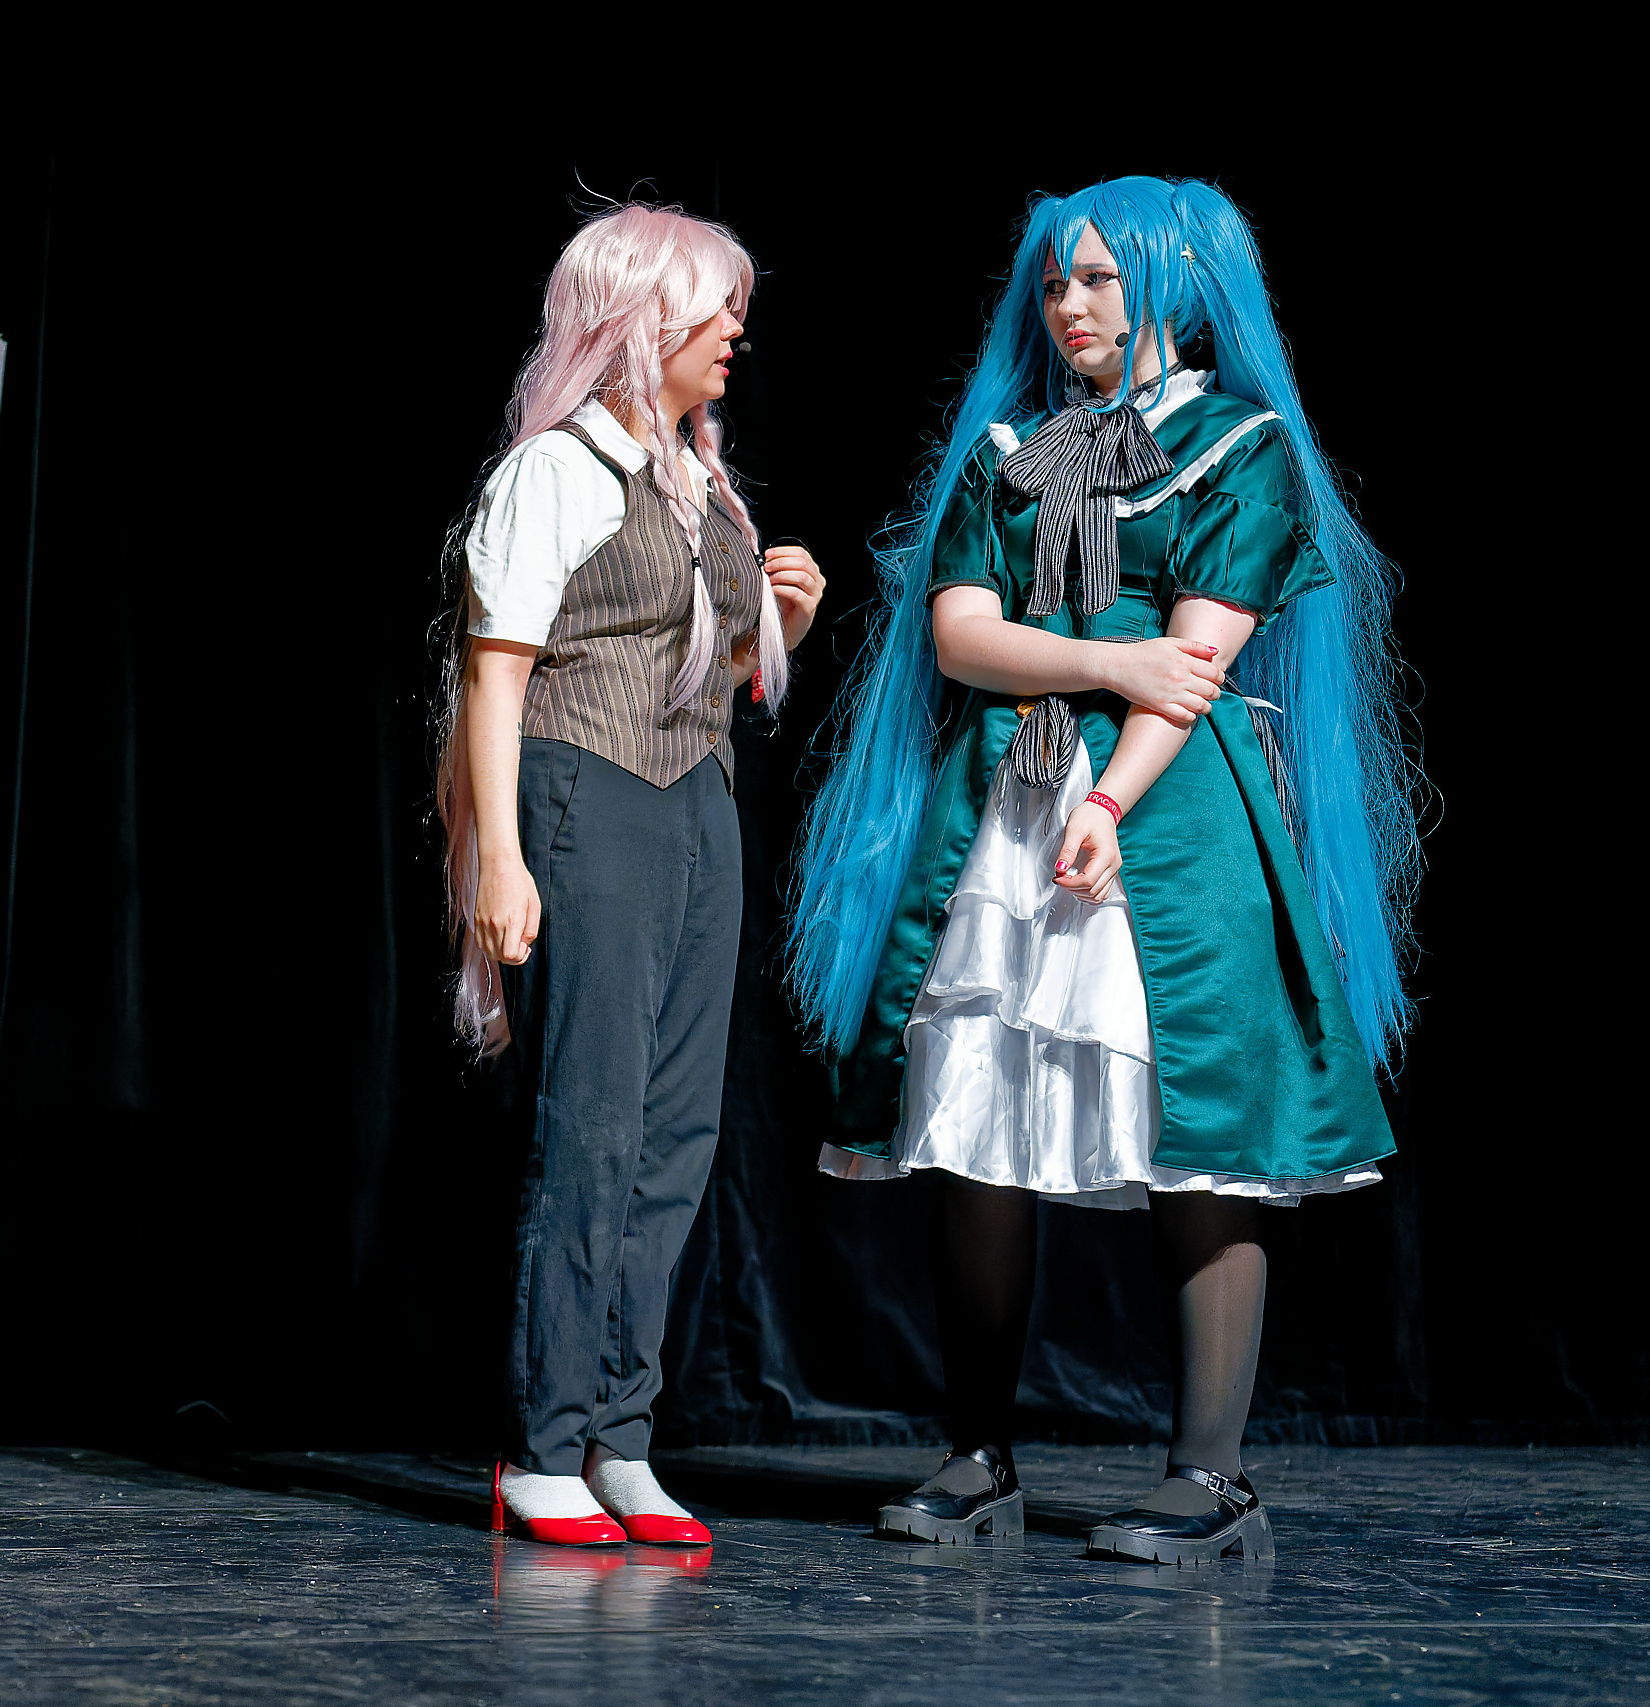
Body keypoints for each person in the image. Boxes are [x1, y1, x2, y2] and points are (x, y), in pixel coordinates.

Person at [788, 177, 1418, 1565]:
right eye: (1054, 284)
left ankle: (1211, 1476)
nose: (1069, 307)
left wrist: (1114, 793)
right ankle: (978, 1455)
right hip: (1006, 800)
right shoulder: (1009, 450)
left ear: (1172, 285)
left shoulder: (1242, 446)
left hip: (1168, 808)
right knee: (977, 1112)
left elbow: (1194, 659)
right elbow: (961, 634)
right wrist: (1102, 660)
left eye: (1098, 280)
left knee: (1198, 1124)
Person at [439, 204, 827, 1547]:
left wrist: (779, 623)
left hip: (696, 808)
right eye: (712, 308)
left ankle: (621, 1437)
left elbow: (705, 672)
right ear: (639, 319)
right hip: (583, 791)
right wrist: (500, 859)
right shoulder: (555, 470)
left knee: (674, 1136)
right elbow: (496, 672)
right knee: (591, 1124)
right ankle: (543, 1443)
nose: (734, 331)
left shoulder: (702, 484)